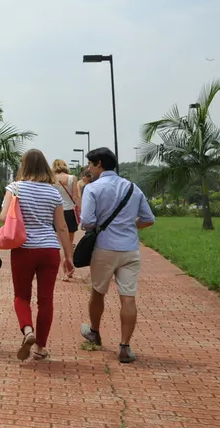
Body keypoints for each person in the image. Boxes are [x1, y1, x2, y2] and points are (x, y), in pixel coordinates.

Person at [79, 147, 156, 364]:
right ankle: (125, 346)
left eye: (91, 165)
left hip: (104, 248)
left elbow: (86, 221)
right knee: (128, 297)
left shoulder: (93, 189)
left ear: (100, 164)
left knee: (98, 292)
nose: (89, 169)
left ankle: (94, 332)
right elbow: (148, 219)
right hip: (130, 249)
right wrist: (130, 226)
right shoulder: (133, 188)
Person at [0, 149, 75, 360]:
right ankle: (40, 347)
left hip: (24, 248)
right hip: (49, 249)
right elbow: (61, 227)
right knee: (46, 300)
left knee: (21, 296)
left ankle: (27, 330)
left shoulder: (15, 188)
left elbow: (4, 217)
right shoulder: (53, 192)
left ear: (23, 166)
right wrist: (68, 257)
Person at [51, 159, 81, 281]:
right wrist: (81, 209)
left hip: (55, 212)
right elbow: (75, 196)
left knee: (57, 243)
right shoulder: (72, 178)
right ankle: (67, 271)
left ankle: (56, 270)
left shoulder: (51, 179)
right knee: (68, 243)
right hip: (69, 212)